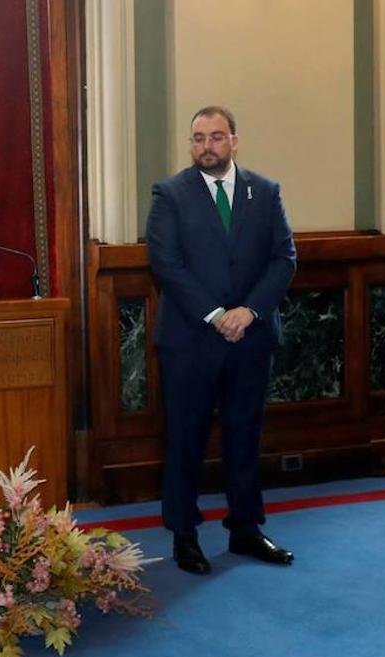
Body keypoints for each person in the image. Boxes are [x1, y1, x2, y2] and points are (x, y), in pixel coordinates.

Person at [144, 105, 296, 575]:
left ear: (234, 140)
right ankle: (185, 536)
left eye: (215, 137)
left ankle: (246, 529)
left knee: (244, 437)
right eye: (197, 138)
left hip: (250, 338)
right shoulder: (170, 193)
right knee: (186, 439)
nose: (205, 146)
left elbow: (283, 258)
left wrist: (248, 312)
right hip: (191, 340)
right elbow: (166, 263)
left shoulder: (265, 191)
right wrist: (216, 315)